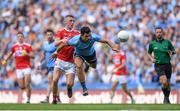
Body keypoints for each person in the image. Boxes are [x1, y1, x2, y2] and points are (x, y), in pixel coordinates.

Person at [56, 26, 119, 93]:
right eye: (86, 36)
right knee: (79, 66)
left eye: (89, 35)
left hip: (90, 55)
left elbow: (106, 40)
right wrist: (56, 52)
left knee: (94, 66)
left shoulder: (93, 37)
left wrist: (113, 47)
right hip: (79, 55)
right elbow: (63, 44)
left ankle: (87, 64)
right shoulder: (75, 40)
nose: (88, 37)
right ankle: (84, 88)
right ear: (81, 35)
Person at [51, 15, 88, 104]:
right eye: (70, 20)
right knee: (55, 80)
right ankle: (54, 98)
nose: (72, 22)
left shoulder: (77, 33)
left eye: (73, 21)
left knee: (69, 84)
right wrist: (61, 40)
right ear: (65, 22)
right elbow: (55, 44)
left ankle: (69, 87)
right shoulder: (60, 32)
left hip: (71, 62)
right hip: (60, 60)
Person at [1, 32, 34, 103]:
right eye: (18, 37)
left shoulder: (28, 46)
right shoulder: (14, 46)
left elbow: (33, 56)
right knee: (22, 86)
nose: (20, 38)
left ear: (23, 37)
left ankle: (28, 99)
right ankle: (28, 90)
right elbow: (10, 54)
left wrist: (27, 54)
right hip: (18, 68)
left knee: (27, 83)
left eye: (21, 36)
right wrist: (5, 60)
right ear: (17, 38)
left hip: (26, 67)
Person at [147, 27, 176, 104]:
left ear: (162, 33)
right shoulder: (152, 43)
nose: (159, 33)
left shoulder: (167, 42)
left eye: (160, 32)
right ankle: (166, 97)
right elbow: (149, 53)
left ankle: (166, 98)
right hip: (159, 65)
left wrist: (171, 53)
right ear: (155, 33)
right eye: (157, 32)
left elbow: (173, 51)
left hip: (167, 65)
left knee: (168, 84)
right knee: (164, 82)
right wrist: (151, 59)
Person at [40, 29, 61, 103]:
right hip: (48, 66)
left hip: (55, 65)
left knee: (50, 81)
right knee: (54, 83)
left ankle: (47, 98)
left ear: (53, 35)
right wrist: (41, 62)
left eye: (50, 34)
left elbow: (60, 52)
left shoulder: (56, 43)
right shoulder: (44, 44)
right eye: (48, 34)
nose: (49, 36)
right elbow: (44, 53)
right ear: (46, 35)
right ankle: (58, 99)